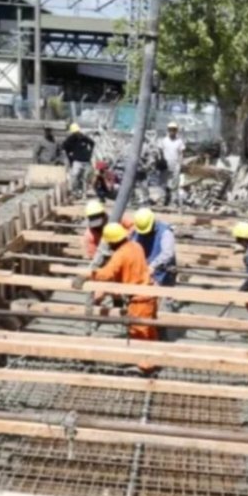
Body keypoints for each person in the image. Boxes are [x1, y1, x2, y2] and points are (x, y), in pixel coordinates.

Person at [77, 223, 158, 375]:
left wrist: (88, 274)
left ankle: (145, 367)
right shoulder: (136, 245)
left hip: (139, 299)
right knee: (150, 331)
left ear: (113, 241)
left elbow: (106, 274)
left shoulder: (120, 255)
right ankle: (153, 360)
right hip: (151, 294)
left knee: (139, 333)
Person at [131, 208, 177, 288]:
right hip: (142, 272)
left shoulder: (165, 232)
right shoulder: (137, 230)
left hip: (162, 273)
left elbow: (168, 253)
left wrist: (153, 266)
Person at [61, 123, 95, 198]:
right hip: (77, 161)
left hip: (86, 161)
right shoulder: (71, 139)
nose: (77, 133)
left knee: (85, 178)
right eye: (75, 132)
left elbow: (92, 143)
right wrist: (69, 155)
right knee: (75, 176)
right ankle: (74, 192)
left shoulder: (84, 138)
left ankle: (84, 193)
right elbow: (64, 146)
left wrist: (89, 153)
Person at [157, 122, 186, 207]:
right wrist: (160, 161)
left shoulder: (179, 141)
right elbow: (160, 151)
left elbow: (182, 152)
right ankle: (162, 199)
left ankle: (173, 201)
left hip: (175, 164)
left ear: (176, 131)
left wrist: (181, 163)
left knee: (174, 183)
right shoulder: (164, 140)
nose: (172, 131)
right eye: (170, 130)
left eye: (174, 130)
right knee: (163, 182)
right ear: (168, 130)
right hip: (165, 164)